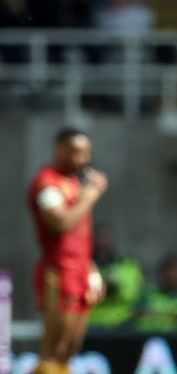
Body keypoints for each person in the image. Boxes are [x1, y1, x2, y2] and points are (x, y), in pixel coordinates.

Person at [27, 128, 109, 374]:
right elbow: (61, 223)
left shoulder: (73, 183)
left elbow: (80, 238)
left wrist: (92, 269)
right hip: (59, 272)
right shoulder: (46, 183)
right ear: (60, 150)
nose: (83, 159)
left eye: (87, 153)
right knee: (55, 347)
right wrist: (92, 195)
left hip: (80, 271)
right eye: (76, 152)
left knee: (70, 347)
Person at [135, 254, 177, 332]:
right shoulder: (149, 296)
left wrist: (159, 315)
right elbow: (142, 315)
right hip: (157, 336)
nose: (172, 275)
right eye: (169, 271)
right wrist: (176, 316)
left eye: (175, 271)